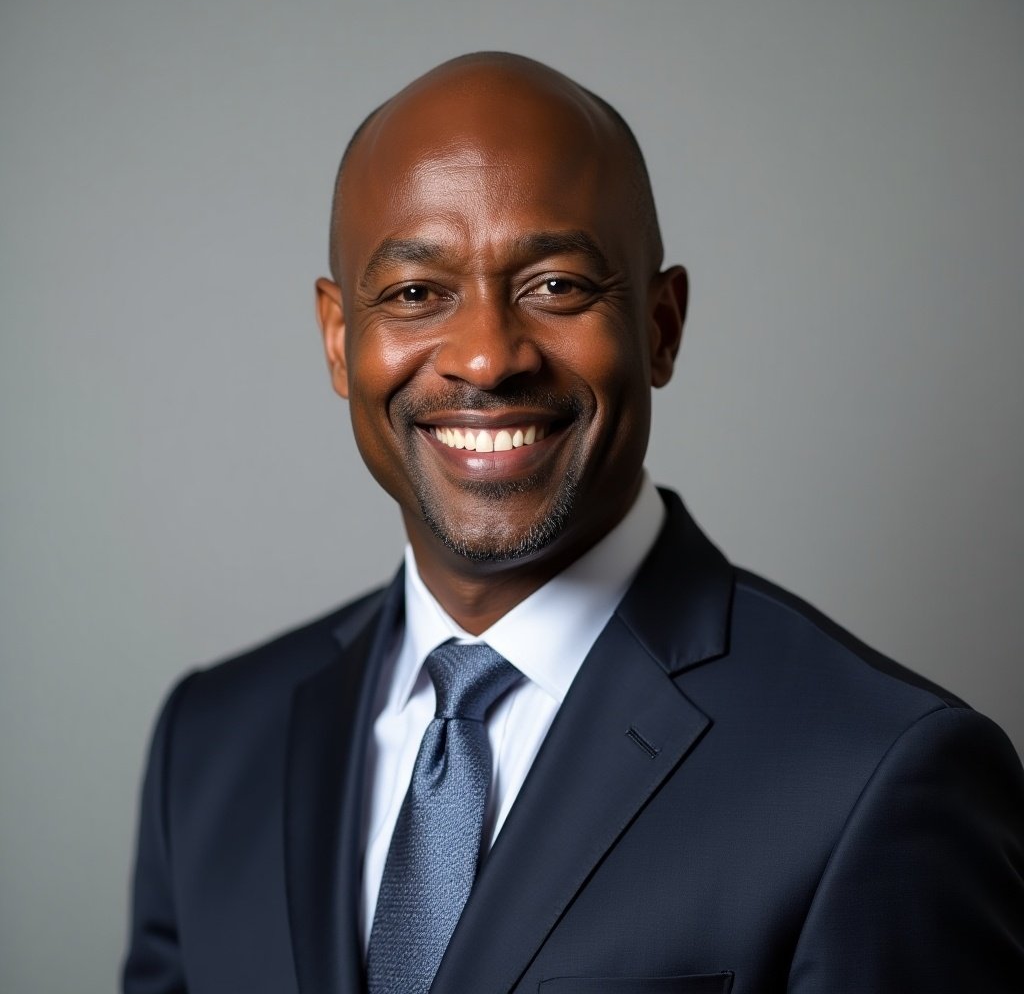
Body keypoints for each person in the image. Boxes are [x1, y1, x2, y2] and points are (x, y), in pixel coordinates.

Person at [123, 52, 1024, 994]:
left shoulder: (877, 773)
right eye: (415, 293)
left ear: (663, 326)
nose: (485, 357)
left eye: (556, 286)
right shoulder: (212, 745)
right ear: (339, 338)